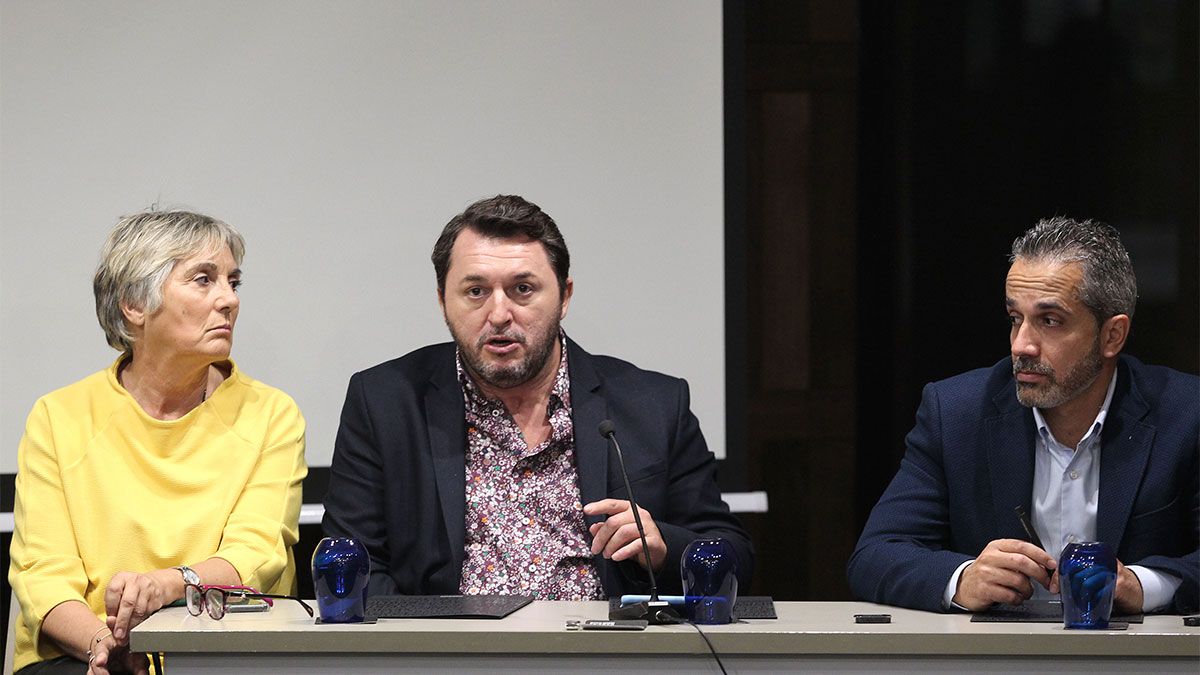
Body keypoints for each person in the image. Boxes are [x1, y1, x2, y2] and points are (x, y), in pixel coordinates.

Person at [322, 195, 752, 600]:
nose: (498, 314)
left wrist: (663, 548)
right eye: (475, 292)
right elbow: (353, 564)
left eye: (522, 289)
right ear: (442, 301)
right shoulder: (385, 402)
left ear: (564, 297)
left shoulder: (654, 403)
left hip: (609, 655)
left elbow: (734, 556)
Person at [847, 217, 1198, 615]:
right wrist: (963, 578)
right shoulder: (956, 412)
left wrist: (1140, 585)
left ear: (1111, 336)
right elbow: (875, 555)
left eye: (1050, 321)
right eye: (1016, 319)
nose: (1022, 344)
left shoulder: (1186, 414)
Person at [8, 211, 307, 674]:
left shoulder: (271, 414)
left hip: (223, 655)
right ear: (134, 305)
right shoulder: (58, 416)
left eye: (233, 281)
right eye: (203, 280)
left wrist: (170, 584)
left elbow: (257, 553)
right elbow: (43, 576)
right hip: (82, 656)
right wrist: (104, 645)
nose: (228, 300)